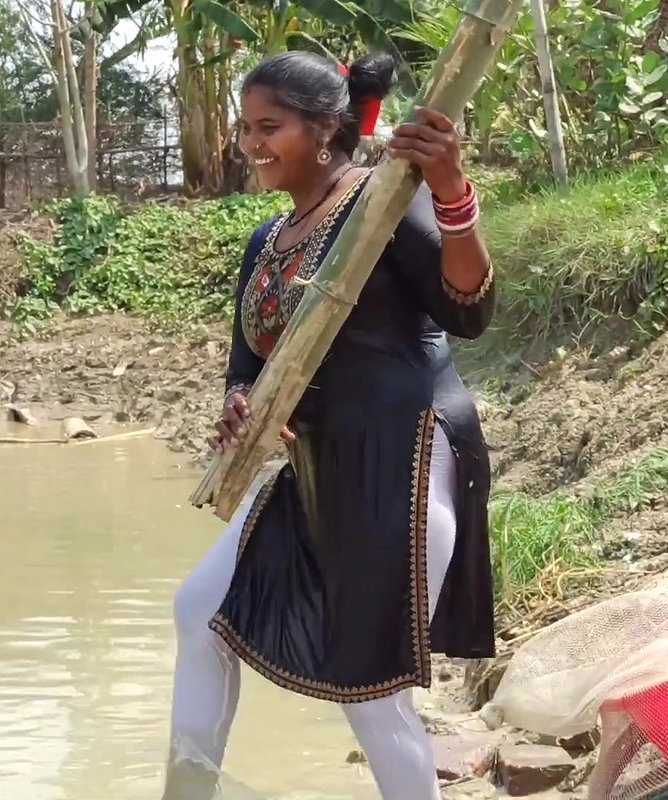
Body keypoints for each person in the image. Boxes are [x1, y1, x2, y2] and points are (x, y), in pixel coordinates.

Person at [164, 49, 497, 800]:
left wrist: (449, 191)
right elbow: (247, 362)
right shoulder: (267, 241)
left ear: (324, 130)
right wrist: (239, 408)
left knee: (370, 688)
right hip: (317, 468)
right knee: (201, 612)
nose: (250, 144)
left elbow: (469, 310)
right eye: (246, 128)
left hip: (403, 455)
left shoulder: (382, 205)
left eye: (268, 127)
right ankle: (188, 792)